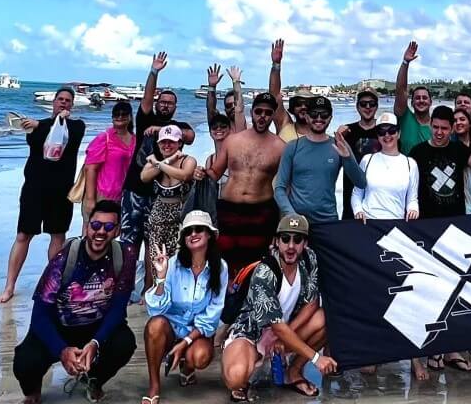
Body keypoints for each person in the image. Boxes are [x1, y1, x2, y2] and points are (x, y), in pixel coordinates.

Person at [11, 199, 135, 404]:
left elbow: (118, 308)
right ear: (87, 227)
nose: (100, 232)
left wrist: (96, 342)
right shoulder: (65, 257)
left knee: (125, 342)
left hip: (95, 327)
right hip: (60, 326)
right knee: (25, 361)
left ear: (117, 231)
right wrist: (62, 350)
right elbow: (39, 316)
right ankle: (33, 389)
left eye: (109, 226)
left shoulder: (125, 255)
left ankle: (94, 379)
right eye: (95, 225)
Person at [220, 214, 335, 401]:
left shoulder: (309, 259)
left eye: (297, 239)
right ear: (276, 241)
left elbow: (312, 303)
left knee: (324, 318)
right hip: (252, 332)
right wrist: (316, 358)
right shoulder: (265, 272)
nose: (291, 246)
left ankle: (293, 371)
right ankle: (241, 356)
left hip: (284, 328)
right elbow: (276, 326)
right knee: (236, 378)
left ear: (305, 243)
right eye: (285, 239)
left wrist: (285, 337)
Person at [0, 87, 86, 304]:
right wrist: (40, 125)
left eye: (68, 101)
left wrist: (45, 124)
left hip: (61, 191)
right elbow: (40, 139)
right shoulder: (36, 127)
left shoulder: (77, 126)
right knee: (23, 236)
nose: (63, 103)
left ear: (72, 105)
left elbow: (69, 138)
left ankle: (53, 284)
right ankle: (9, 286)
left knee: (57, 236)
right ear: (54, 102)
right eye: (60, 100)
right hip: (34, 189)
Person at [209, 41, 287, 273]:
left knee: (254, 267)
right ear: (252, 112)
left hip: (260, 211)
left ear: (273, 115)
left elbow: (285, 186)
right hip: (228, 209)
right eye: (258, 111)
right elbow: (215, 173)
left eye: (267, 113)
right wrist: (200, 174)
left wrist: (281, 223)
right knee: (223, 265)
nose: (262, 116)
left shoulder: (280, 147)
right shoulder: (234, 140)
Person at [139, 210, 226, 404]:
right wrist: (160, 279)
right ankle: (154, 386)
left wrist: (186, 341)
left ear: (209, 235)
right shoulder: (172, 264)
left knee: (201, 356)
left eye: (198, 230)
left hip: (196, 330)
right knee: (155, 326)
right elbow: (156, 309)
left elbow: (213, 314)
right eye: (188, 231)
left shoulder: (220, 267)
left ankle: (187, 365)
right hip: (171, 326)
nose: (193, 234)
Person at [121, 53, 195, 290]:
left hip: (158, 194)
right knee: (129, 241)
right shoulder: (145, 120)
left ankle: (149, 287)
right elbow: (145, 98)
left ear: (175, 107)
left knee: (153, 242)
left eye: (169, 102)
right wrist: (154, 72)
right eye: (161, 101)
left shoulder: (177, 127)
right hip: (135, 188)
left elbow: (190, 136)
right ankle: (124, 285)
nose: (164, 105)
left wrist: (165, 128)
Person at [273, 96, 366, 223]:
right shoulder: (293, 146)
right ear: (307, 117)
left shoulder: (339, 146)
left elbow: (361, 183)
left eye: (324, 115)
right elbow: (279, 188)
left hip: (328, 219)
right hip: (296, 221)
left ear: (330, 118)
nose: (318, 119)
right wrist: (291, 214)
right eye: (314, 114)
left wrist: (348, 158)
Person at [140, 124, 204, 290]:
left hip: (180, 217)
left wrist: (159, 164)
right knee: (157, 259)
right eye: (163, 142)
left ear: (180, 143)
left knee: (180, 259)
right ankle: (159, 294)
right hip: (159, 215)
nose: (167, 146)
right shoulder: (156, 159)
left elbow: (184, 175)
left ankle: (179, 294)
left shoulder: (187, 160)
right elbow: (144, 177)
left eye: (171, 142)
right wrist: (166, 161)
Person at [351, 112, 420, 220]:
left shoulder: (410, 164)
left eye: (392, 131)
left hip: (397, 223)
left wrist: (413, 210)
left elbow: (412, 198)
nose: (387, 135)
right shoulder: (367, 160)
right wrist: (358, 211)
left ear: (399, 133)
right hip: (368, 222)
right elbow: (357, 193)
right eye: (381, 132)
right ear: (377, 136)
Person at [409, 105, 471, 219]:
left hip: (455, 218)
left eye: (444, 128)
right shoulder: (417, 152)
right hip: (425, 219)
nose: (439, 132)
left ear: (452, 129)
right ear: (430, 126)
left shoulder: (459, 149)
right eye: (435, 127)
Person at [81, 100, 135, 209]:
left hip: (124, 197)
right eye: (116, 114)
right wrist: (91, 199)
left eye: (123, 114)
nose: (119, 117)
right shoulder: (104, 138)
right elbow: (90, 169)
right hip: (102, 195)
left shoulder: (135, 140)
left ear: (130, 117)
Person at [337, 89, 382, 220]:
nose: (367, 107)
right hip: (350, 198)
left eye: (372, 104)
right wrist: (338, 137)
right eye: (363, 104)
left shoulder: (386, 132)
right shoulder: (347, 132)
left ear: (376, 106)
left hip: (377, 198)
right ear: (357, 107)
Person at [392, 41, 430, 154]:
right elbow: (401, 90)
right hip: (408, 170)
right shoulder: (405, 118)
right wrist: (405, 63)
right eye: (417, 98)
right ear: (412, 103)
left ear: (430, 102)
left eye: (424, 98)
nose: (421, 100)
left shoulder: (438, 126)